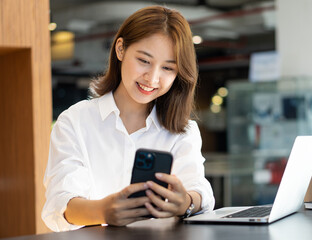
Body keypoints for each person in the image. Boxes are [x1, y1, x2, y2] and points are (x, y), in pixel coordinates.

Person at [41, 5, 215, 232]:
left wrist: (187, 202)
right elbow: (60, 204)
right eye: (144, 60)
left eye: (167, 68)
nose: (152, 78)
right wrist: (104, 211)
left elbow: (200, 190)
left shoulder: (183, 130)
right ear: (120, 49)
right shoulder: (75, 121)